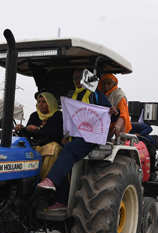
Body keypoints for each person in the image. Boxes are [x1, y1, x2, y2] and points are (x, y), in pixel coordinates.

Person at [37, 69, 115, 211]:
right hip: (74, 137)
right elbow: (68, 119)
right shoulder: (70, 96)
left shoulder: (95, 95)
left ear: (86, 78)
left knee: (68, 150)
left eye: (80, 77)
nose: (77, 80)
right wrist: (65, 136)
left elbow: (112, 114)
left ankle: (51, 181)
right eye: (75, 78)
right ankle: (60, 200)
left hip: (91, 138)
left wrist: (112, 112)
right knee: (58, 156)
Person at [15, 92, 63, 178]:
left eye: (44, 102)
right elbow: (28, 134)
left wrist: (38, 129)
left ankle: (44, 181)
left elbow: (56, 134)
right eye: (39, 102)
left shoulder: (58, 115)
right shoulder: (34, 115)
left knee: (54, 148)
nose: (40, 104)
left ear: (50, 103)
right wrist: (22, 129)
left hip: (50, 145)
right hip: (35, 147)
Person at [98, 73, 131, 138]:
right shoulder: (99, 94)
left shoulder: (119, 95)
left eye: (109, 83)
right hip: (101, 128)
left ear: (114, 84)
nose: (106, 86)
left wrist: (118, 126)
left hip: (117, 129)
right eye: (104, 83)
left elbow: (123, 114)